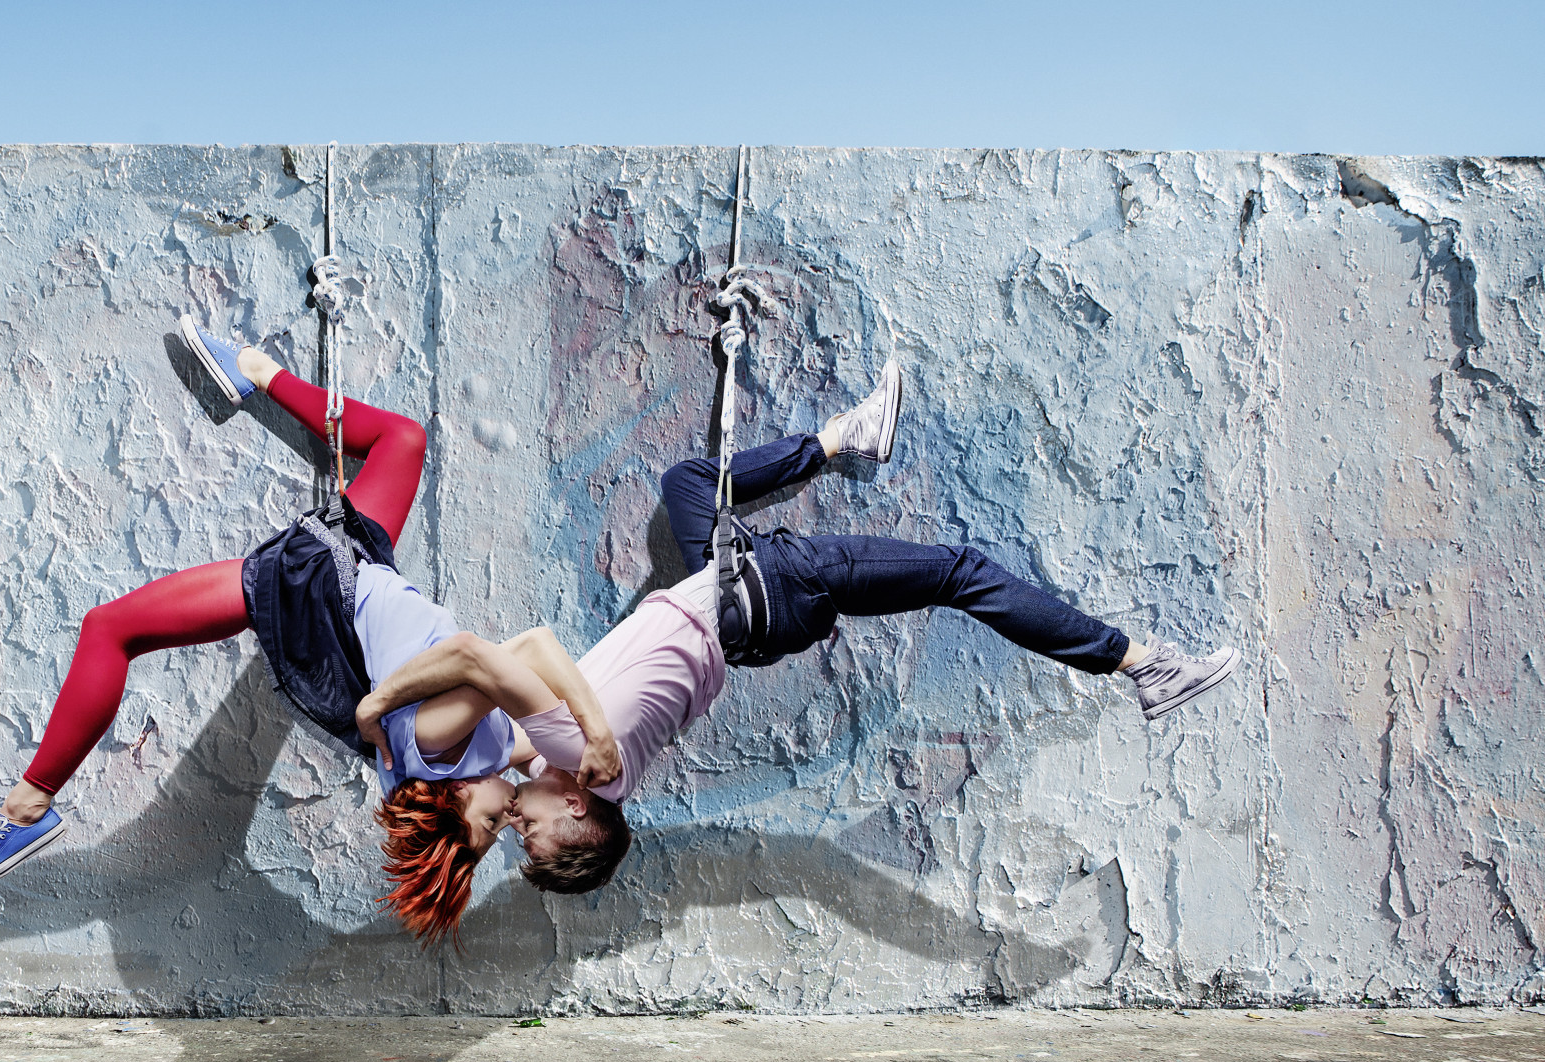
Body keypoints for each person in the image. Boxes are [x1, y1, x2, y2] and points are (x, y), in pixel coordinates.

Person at [356, 357, 1240, 913]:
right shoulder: (584, 751)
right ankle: (1138, 662)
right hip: (769, 591)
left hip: (735, 602)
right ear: (579, 807)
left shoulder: (586, 763)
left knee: (687, 484)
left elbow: (493, 748)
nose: (520, 824)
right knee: (958, 572)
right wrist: (405, 716)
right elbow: (528, 652)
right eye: (535, 833)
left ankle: (844, 437)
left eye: (517, 834)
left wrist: (436, 788)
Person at [0, 315, 622, 943]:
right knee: (403, 440)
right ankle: (251, 370)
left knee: (111, 628)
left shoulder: (436, 749)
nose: (509, 820)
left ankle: (27, 806)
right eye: (512, 827)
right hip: (360, 566)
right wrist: (575, 759)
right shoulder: (486, 758)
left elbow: (496, 655)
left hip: (319, 584)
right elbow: (528, 667)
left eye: (492, 823)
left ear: (456, 797)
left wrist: (590, 731)